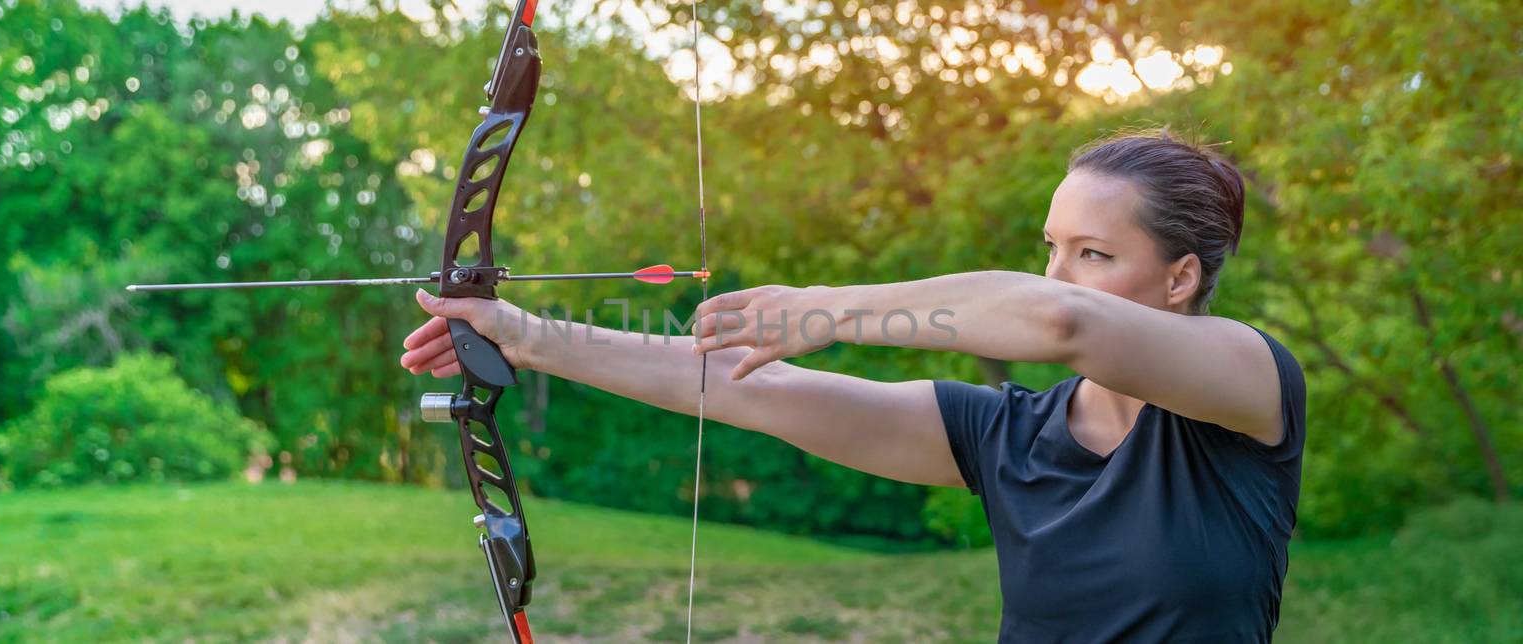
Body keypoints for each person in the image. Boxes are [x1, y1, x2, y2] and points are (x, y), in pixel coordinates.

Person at [399, 127, 1305, 643]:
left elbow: (1058, 323)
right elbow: (751, 388)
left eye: (1094, 254)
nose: (1058, 277)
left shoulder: (1246, 388)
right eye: (1051, 249)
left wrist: (830, 306)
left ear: (1180, 279)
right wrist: (527, 336)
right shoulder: (1008, 439)